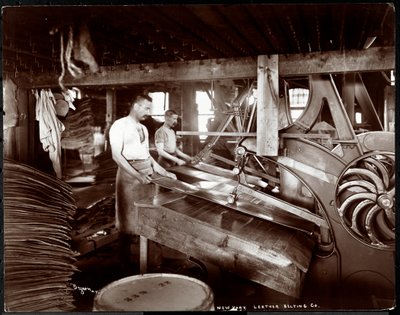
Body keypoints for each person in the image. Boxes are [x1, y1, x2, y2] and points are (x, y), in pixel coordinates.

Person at [109, 94, 176, 273]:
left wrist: (163, 171)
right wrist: (137, 175)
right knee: (126, 220)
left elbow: (147, 155)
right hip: (129, 176)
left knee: (149, 217)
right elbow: (117, 156)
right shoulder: (120, 125)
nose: (149, 112)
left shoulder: (144, 129)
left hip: (147, 173)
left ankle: (152, 262)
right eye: (146, 108)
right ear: (136, 106)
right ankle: (123, 265)